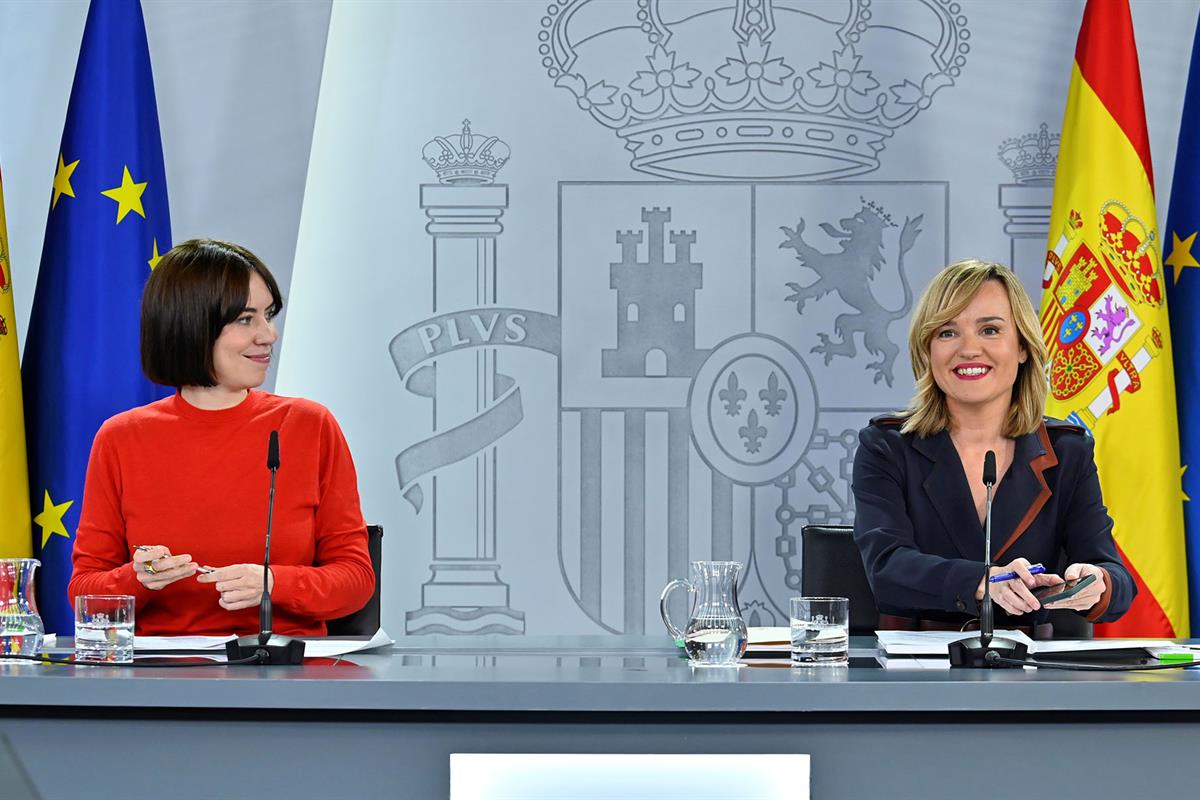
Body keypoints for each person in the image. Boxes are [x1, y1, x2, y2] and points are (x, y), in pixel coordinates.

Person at [68, 239, 374, 636]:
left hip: (285, 678)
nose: (269, 335)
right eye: (247, 319)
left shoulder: (309, 424)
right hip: (159, 681)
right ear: (191, 325)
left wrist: (274, 583)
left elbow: (355, 580)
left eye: (268, 315)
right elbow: (83, 591)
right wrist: (136, 579)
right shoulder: (121, 437)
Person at [852, 259, 1134, 635]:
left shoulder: (1067, 451)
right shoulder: (886, 447)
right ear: (927, 350)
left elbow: (1116, 579)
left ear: (1022, 348)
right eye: (947, 333)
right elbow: (886, 567)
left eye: (989, 329)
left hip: (1029, 675)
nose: (969, 349)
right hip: (914, 672)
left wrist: (1096, 581)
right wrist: (982, 581)